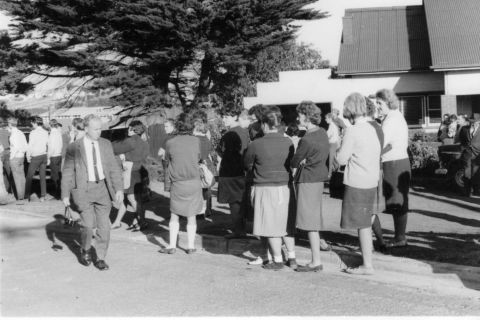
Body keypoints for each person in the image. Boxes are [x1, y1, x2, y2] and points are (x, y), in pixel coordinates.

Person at [61, 114, 123, 270]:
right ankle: (86, 248)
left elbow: (114, 168)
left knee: (104, 227)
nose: (99, 132)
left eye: (100, 128)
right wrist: (65, 194)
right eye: (95, 129)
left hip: (102, 189)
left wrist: (119, 189)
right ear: (86, 128)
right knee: (88, 226)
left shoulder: (106, 144)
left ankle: (101, 257)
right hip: (84, 190)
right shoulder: (74, 147)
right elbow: (68, 171)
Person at [244, 106, 296, 270]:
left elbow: (246, 164)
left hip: (264, 186)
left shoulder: (256, 144)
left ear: (264, 124)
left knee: (270, 225)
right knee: (285, 224)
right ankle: (292, 256)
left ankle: (277, 260)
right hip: (285, 186)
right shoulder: (288, 141)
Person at [336, 93, 382, 275]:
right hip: (371, 179)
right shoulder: (372, 127)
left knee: (361, 224)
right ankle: (367, 257)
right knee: (365, 221)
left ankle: (367, 265)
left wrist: (339, 147)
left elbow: (341, 159)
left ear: (350, 109)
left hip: (357, 181)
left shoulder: (352, 131)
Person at [291, 101, 330, 272]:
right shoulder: (322, 132)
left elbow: (294, 160)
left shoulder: (306, 139)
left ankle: (316, 261)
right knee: (313, 218)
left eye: (299, 114)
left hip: (307, 180)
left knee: (309, 221)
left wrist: (301, 161)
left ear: (306, 117)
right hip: (319, 178)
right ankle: (317, 256)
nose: (297, 117)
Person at [160, 113, 203, 254]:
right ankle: (190, 246)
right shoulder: (196, 141)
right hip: (194, 182)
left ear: (177, 126)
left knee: (174, 214)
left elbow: (167, 160)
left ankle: (172, 245)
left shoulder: (170, 142)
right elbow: (198, 158)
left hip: (178, 183)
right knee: (191, 215)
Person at [376, 88, 411, 248]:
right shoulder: (394, 116)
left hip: (395, 163)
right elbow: (388, 144)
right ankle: (399, 237)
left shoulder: (391, 119)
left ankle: (400, 238)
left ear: (388, 102)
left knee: (397, 201)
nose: (377, 106)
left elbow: (380, 143)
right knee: (397, 201)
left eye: (379, 103)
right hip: (396, 161)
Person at [216, 103, 250, 238]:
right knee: (239, 202)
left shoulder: (230, 134)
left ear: (235, 116)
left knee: (234, 203)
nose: (224, 119)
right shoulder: (244, 131)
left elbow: (220, 150)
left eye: (226, 117)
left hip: (231, 171)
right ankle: (241, 229)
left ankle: (238, 231)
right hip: (241, 171)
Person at [111, 120, 150, 231]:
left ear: (132, 129)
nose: (127, 130)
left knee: (131, 198)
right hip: (140, 171)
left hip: (130, 172)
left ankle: (142, 222)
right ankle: (118, 221)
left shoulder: (131, 141)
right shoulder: (144, 142)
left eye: (129, 128)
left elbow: (114, 148)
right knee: (130, 198)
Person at [193, 118, 214, 218]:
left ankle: (199, 211)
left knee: (198, 188)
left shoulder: (195, 140)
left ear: (196, 128)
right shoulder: (207, 139)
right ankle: (208, 209)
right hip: (208, 164)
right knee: (207, 187)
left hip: (199, 164)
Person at [25, 116, 49, 202]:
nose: (32, 125)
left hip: (35, 156)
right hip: (44, 156)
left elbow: (30, 146)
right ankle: (43, 195)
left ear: (35, 122)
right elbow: (47, 144)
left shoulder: (33, 133)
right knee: (42, 176)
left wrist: (28, 156)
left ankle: (26, 195)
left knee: (29, 177)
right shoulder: (46, 132)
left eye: (32, 123)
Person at [6, 117, 27, 203]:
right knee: (22, 177)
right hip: (21, 156)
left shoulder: (13, 135)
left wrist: (11, 157)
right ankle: (24, 194)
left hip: (15, 157)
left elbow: (15, 147)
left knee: (17, 178)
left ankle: (20, 197)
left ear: (10, 124)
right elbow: (25, 146)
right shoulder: (21, 133)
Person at [461, 113, 480, 197]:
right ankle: (467, 191)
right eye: (471, 121)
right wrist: (464, 149)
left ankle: (476, 190)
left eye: (474, 121)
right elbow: (461, 140)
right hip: (467, 153)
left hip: (478, 153)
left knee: (476, 172)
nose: (472, 122)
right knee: (466, 172)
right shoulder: (464, 128)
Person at [48, 119, 64, 199]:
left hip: (53, 156)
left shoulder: (51, 134)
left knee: (54, 176)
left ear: (50, 125)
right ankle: (60, 192)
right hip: (59, 155)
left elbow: (51, 148)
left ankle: (57, 194)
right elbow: (61, 144)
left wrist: (48, 157)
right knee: (59, 174)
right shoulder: (59, 133)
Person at [325, 113, 341, 178]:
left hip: (332, 144)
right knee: (333, 159)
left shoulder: (332, 126)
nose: (325, 120)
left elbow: (328, 135)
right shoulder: (333, 125)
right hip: (333, 144)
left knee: (330, 160)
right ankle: (337, 169)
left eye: (326, 118)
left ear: (330, 118)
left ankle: (329, 175)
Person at [0, 117, 13, 195]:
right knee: (9, 172)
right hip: (8, 151)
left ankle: (6, 190)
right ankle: (12, 189)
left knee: (2, 173)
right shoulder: (7, 131)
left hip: (1, 153)